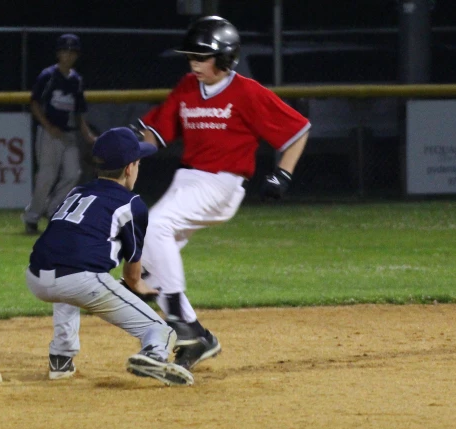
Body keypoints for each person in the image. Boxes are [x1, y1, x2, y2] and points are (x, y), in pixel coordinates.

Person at [134, 16, 311, 370]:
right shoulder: (187, 86)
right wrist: (125, 144)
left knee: (154, 227)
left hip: (221, 184)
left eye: (203, 57)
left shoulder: (247, 91)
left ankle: (184, 329)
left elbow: (298, 130)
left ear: (226, 58)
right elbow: (156, 131)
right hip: (186, 182)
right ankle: (198, 340)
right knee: (148, 259)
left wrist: (283, 174)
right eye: (191, 57)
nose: (195, 64)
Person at [25, 127, 193, 386]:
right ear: (129, 169)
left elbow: (64, 236)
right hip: (80, 281)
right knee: (160, 329)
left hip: (36, 276)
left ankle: (61, 357)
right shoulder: (132, 203)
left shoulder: (76, 192)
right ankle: (154, 354)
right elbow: (132, 275)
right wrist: (141, 288)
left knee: (66, 287)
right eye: (137, 163)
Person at [22, 33, 97, 235]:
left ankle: (52, 208)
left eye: (73, 51)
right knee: (46, 176)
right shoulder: (48, 75)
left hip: (68, 133)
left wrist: (87, 134)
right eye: (65, 50)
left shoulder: (76, 80)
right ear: (58, 53)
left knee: (74, 173)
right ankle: (32, 217)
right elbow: (34, 103)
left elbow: (78, 112)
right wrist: (48, 126)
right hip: (48, 133)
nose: (69, 55)